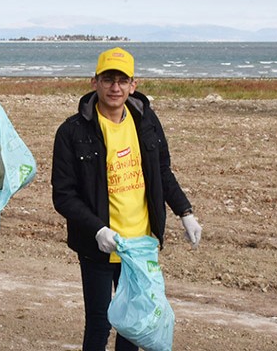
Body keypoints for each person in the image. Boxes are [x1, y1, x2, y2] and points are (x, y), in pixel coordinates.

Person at [51, 47, 202, 350]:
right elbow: (63, 196)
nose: (115, 87)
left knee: (133, 324)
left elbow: (162, 172)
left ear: (134, 84)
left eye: (122, 80)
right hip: (100, 244)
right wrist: (98, 229)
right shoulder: (72, 130)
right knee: (98, 321)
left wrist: (184, 211)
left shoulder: (146, 121)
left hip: (141, 245)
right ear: (95, 82)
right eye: (108, 79)